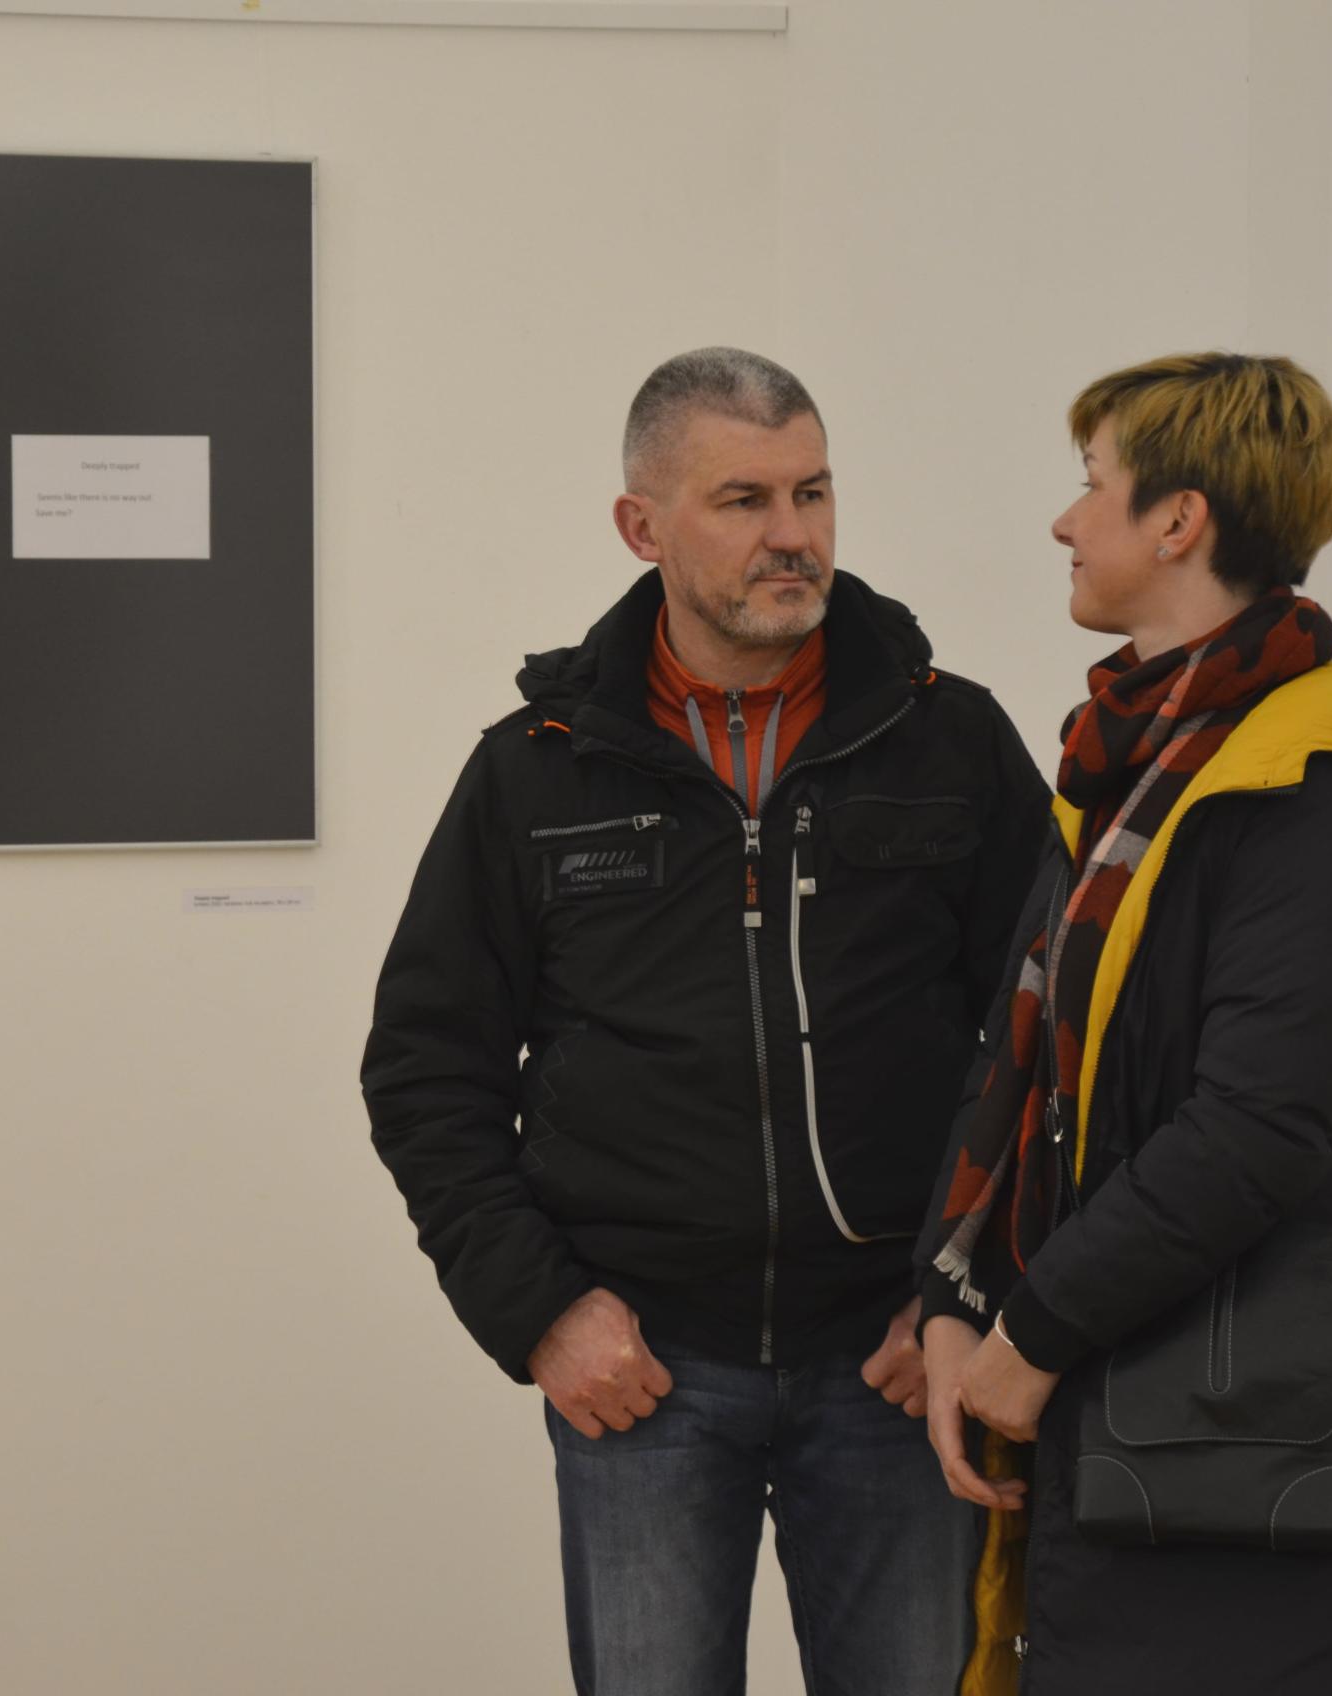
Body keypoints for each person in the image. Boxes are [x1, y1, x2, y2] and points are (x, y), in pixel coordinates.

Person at [363, 347, 1050, 1694]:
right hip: (646, 1374)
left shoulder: (952, 742)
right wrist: (541, 1311)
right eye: (744, 500)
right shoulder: (538, 771)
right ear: (643, 526)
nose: (794, 534)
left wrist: (966, 1298)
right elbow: (426, 1070)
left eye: (813, 492)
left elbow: (1045, 1049)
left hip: (897, 1365)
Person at [916, 352, 1332, 1695]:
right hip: (1136, 1379)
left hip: (1257, 1422)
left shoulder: (1317, 781)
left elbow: (1261, 1125)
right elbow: (1024, 1067)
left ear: (1178, 520)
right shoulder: (1129, 768)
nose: (1064, 520)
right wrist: (952, 1296)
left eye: (1092, 484)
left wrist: (1036, 1333)